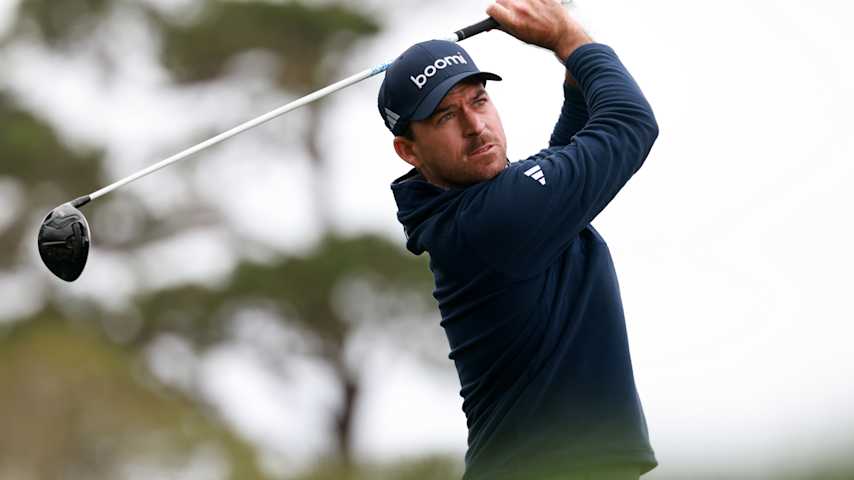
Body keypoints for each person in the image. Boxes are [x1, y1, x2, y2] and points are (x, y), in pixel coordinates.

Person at [376, 1, 659, 478]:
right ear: (409, 151)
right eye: (446, 116)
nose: (475, 126)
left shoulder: (479, 213)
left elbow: (568, 147)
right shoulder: (494, 220)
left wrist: (571, 55)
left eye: (478, 100)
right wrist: (566, 37)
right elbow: (630, 124)